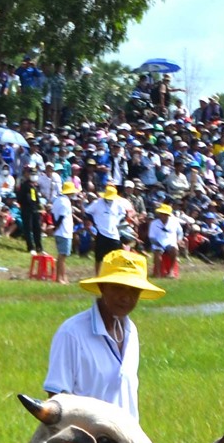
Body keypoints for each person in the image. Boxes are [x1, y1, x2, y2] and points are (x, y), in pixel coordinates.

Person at [43, 248, 165, 421]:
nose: (126, 297)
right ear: (102, 287)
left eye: (134, 290)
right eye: (118, 288)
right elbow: (56, 397)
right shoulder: (72, 333)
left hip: (126, 441)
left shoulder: (130, 332)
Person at [50, 180, 77, 282]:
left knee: (62, 256)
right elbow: (61, 217)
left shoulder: (57, 200)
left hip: (60, 232)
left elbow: (53, 214)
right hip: (64, 232)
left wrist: (54, 227)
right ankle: (59, 278)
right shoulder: (65, 202)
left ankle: (63, 277)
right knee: (62, 256)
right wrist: (56, 227)